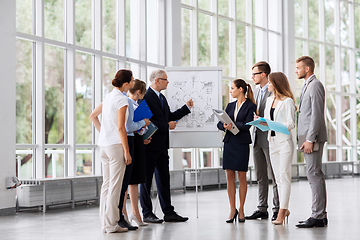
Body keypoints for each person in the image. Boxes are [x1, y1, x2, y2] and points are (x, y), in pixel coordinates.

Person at [140, 69, 193, 223]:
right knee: (146, 181)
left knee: (164, 180)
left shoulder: (161, 97)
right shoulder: (146, 97)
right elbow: (145, 120)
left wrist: (186, 108)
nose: (167, 82)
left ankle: (168, 212)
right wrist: (166, 125)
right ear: (157, 80)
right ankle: (147, 213)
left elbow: (168, 117)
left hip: (162, 146)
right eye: (165, 79)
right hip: (149, 145)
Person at [89, 69, 133, 233]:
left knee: (106, 186)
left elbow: (93, 116)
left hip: (104, 146)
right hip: (115, 147)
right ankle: (112, 224)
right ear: (126, 83)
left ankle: (105, 224)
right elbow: (121, 128)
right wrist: (127, 151)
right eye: (132, 80)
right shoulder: (122, 99)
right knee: (115, 186)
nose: (133, 83)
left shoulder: (108, 97)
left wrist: (105, 133)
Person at [217, 79, 257, 223]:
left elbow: (247, 125)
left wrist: (232, 125)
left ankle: (241, 209)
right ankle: (232, 209)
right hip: (229, 143)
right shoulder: (230, 105)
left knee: (241, 176)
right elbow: (219, 123)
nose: (230, 91)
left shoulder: (251, 106)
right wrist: (225, 126)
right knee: (229, 177)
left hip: (241, 144)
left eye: (233, 88)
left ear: (241, 89)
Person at [294, 56, 328, 228]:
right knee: (314, 174)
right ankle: (320, 215)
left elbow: (316, 114)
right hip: (308, 137)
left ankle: (318, 215)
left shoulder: (315, 85)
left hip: (312, 138)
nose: (296, 70)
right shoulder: (308, 85)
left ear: (307, 69)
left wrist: (309, 139)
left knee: (313, 174)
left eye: (298, 67)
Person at [260, 72, 296, 225]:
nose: (267, 85)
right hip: (272, 142)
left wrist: (274, 125)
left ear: (276, 84)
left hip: (284, 143)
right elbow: (268, 121)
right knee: (277, 178)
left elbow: (291, 124)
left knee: (284, 176)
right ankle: (284, 208)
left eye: (269, 82)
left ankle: (282, 211)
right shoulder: (269, 101)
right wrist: (261, 122)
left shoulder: (287, 102)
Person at [246, 61, 280, 221]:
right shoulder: (255, 92)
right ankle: (262, 208)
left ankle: (277, 208)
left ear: (263, 74)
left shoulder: (274, 92)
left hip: (269, 138)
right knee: (260, 176)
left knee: (274, 176)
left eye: (255, 74)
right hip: (256, 139)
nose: (252, 77)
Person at [117, 79, 151, 231]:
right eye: (142, 93)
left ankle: (135, 212)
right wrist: (143, 124)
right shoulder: (128, 103)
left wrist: (144, 132)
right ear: (139, 92)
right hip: (129, 141)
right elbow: (128, 126)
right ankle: (124, 212)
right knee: (127, 180)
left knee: (135, 179)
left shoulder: (134, 104)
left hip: (136, 141)